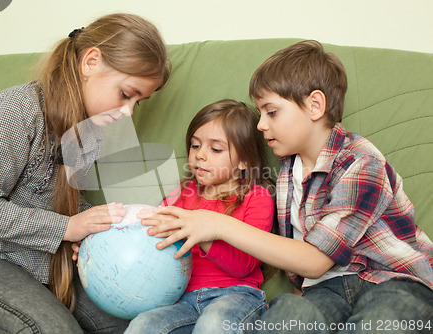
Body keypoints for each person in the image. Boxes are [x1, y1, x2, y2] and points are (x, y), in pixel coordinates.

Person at [140, 41, 433, 333]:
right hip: (325, 292)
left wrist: (217, 225)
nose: (260, 125)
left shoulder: (360, 162)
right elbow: (305, 273)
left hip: (393, 282)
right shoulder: (286, 170)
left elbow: (315, 260)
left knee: (381, 324)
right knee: (286, 318)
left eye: (271, 112)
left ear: (315, 106)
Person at [0, 13, 170, 334]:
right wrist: (67, 227)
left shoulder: (92, 131)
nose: (128, 111)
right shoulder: (14, 111)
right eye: (126, 94)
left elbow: (60, 199)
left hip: (31, 258)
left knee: (127, 327)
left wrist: (111, 223)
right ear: (91, 62)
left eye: (138, 102)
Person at [125, 99, 275, 334]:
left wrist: (201, 235)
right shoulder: (180, 194)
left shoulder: (257, 198)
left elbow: (244, 265)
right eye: (195, 146)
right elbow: (150, 232)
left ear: (244, 160)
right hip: (181, 300)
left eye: (215, 149)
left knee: (213, 325)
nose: (200, 156)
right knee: (143, 325)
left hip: (237, 295)